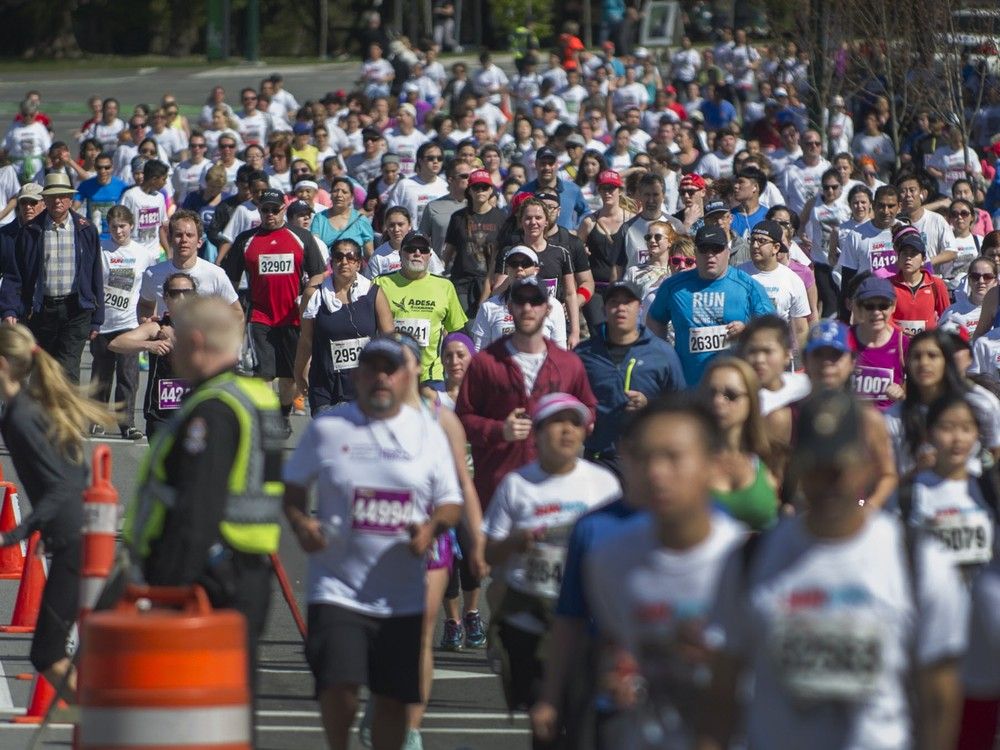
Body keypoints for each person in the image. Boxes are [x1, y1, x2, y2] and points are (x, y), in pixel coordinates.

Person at [699, 389, 969, 750]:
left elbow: (939, 697)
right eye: (815, 467)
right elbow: (721, 692)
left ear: (865, 465)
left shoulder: (917, 562)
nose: (827, 484)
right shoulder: (750, 559)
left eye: (838, 468)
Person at [282, 336, 463, 750]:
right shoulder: (329, 428)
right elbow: (293, 489)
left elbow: (450, 502)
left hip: (401, 594)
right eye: (373, 368)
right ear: (358, 375)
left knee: (392, 702)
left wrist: (432, 527)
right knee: (339, 688)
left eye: (391, 368)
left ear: (407, 376)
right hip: (337, 587)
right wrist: (300, 524)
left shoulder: (427, 434)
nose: (382, 377)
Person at [123, 295, 285, 692]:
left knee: (191, 701)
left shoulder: (214, 410)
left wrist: (164, 590)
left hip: (208, 578)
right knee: (227, 703)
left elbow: (196, 508)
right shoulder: (257, 397)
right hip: (244, 571)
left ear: (195, 342)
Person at [583, 394, 746, 750]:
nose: (656, 473)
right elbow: (619, 651)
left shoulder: (748, 561)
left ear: (713, 465)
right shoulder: (609, 560)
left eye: (673, 457)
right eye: (645, 458)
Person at [482, 393, 621, 739]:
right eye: (558, 423)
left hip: (584, 621)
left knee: (581, 723)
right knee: (544, 722)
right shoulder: (518, 485)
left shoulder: (603, 484)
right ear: (538, 433)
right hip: (529, 620)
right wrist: (517, 541)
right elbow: (487, 554)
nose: (567, 431)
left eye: (575, 423)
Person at [0, 325, 116, 700]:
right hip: (73, 534)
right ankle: (98, 723)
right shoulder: (30, 406)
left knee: (47, 652)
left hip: (72, 539)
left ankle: (103, 727)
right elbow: (75, 473)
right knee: (64, 650)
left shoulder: (19, 416)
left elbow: (61, 485)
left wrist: (15, 534)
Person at [457, 276, 597, 510]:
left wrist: (571, 427)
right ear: (509, 307)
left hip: (553, 490)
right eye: (520, 301)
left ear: (548, 308)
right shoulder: (485, 363)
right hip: (497, 487)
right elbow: (462, 419)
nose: (528, 308)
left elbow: (589, 411)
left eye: (536, 301)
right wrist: (499, 430)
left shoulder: (568, 363)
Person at [221, 188, 327, 432]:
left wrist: (307, 298)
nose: (270, 214)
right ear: (259, 211)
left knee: (289, 376)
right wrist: (234, 310)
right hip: (260, 316)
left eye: (275, 209)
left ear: (283, 209)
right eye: (265, 209)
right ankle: (268, 419)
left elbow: (319, 273)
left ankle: (283, 414)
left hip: (292, 316)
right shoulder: (246, 240)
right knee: (265, 374)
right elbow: (231, 281)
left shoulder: (302, 237)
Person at [0, 173, 105, 384]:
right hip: (41, 312)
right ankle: (44, 416)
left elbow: (95, 275)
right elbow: (14, 274)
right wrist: (9, 309)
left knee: (68, 370)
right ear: (45, 200)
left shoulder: (86, 229)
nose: (57, 200)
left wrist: (97, 318)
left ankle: (67, 417)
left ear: (69, 198)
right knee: (43, 371)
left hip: (76, 310)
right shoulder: (30, 231)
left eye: (62, 195)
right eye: (52, 196)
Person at [575, 280, 686, 475]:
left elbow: (681, 407)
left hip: (647, 460)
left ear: (640, 307)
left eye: (628, 302)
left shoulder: (662, 353)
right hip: (598, 461)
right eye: (614, 302)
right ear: (604, 308)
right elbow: (568, 400)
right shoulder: (583, 354)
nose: (621, 308)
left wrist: (649, 406)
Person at [646, 225, 775, 385]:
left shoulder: (748, 286)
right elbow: (655, 320)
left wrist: (747, 330)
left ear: (728, 252)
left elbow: (772, 329)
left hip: (734, 385)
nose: (710, 255)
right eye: (704, 249)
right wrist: (664, 355)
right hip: (688, 386)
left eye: (716, 249)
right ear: (695, 252)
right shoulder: (674, 286)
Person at [294, 238, 395, 414]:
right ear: (331, 262)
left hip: (364, 384)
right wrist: (299, 373)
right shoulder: (314, 295)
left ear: (359, 263)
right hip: (325, 383)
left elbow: (390, 340)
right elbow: (306, 340)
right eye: (338, 257)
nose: (344, 262)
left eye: (351, 257)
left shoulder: (374, 293)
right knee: (327, 438)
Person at [90, 205, 161, 439]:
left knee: (128, 377)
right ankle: (97, 420)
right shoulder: (101, 250)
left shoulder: (143, 254)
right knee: (101, 376)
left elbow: (151, 287)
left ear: (131, 225)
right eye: (113, 227)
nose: (118, 231)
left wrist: (150, 314)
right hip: (103, 323)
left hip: (130, 324)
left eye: (122, 226)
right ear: (107, 228)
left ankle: (127, 423)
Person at [373, 231, 467, 386]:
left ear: (429, 256)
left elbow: (457, 333)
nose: (417, 253)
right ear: (400, 254)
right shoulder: (380, 284)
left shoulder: (445, 286)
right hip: (391, 375)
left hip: (431, 377)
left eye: (423, 250)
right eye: (411, 249)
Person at [109, 273, 196, 439]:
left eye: (188, 292)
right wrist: (149, 345)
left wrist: (174, 340)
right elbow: (116, 343)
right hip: (160, 413)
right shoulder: (157, 328)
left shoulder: (204, 328)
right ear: (166, 298)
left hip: (193, 412)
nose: (182, 298)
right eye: (175, 293)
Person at [702, 357, 780, 530]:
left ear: (751, 401)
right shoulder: (689, 462)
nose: (718, 401)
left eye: (730, 395)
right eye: (711, 393)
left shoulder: (773, 458)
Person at [139, 210, 240, 319]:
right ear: (170, 240)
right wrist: (146, 321)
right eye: (178, 235)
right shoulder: (152, 274)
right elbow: (145, 305)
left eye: (189, 235)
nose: (184, 240)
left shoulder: (216, 274)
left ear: (199, 242)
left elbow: (237, 313)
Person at [472, 246, 567, 350]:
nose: (519, 268)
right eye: (514, 264)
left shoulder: (554, 306)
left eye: (526, 263)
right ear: (507, 270)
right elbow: (479, 351)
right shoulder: (489, 307)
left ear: (536, 270)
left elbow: (560, 351)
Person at [738, 220, 811, 354]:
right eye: (752, 240)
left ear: (776, 247)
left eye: (761, 241)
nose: (754, 245)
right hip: (744, 353)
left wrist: (795, 358)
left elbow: (800, 329)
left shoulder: (792, 279)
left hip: (776, 354)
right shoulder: (737, 275)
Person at [442, 169, 505, 317]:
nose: (480, 191)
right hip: (462, 281)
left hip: (491, 282)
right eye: (476, 187)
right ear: (469, 191)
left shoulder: (501, 218)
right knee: (465, 325)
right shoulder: (458, 218)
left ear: (491, 191)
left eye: (485, 187)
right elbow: (448, 251)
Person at [576, 169, 633, 330]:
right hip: (596, 289)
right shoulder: (589, 222)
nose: (608, 192)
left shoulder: (632, 219)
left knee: (622, 331)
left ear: (619, 191)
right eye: (604, 188)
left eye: (612, 188)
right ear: (599, 191)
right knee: (599, 330)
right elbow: (575, 253)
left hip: (625, 287)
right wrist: (582, 252)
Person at [848, 274, 908, 411]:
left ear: (893, 307)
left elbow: (919, 383)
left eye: (883, 306)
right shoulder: (844, 340)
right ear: (858, 308)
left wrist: (902, 392)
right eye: (869, 306)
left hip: (888, 424)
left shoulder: (902, 343)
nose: (876, 312)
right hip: (851, 422)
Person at [888, 226, 950, 336]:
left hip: (927, 344)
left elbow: (946, 317)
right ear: (899, 257)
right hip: (897, 344)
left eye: (913, 254)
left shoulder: (936, 284)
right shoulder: (887, 285)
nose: (908, 258)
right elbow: (885, 317)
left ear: (923, 260)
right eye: (905, 253)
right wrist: (901, 333)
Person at [386, 142, 449, 230]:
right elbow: (391, 216)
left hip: (437, 241)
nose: (436, 161)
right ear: (420, 161)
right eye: (430, 158)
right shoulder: (404, 185)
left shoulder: (446, 187)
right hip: (411, 241)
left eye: (440, 158)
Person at [311, 176, 375, 259]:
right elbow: (315, 249)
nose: (339, 195)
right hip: (328, 268)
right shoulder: (319, 219)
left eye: (344, 192)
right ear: (330, 195)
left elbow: (369, 254)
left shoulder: (361, 220)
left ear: (352, 198)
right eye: (335, 191)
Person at [73, 152, 127, 241]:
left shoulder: (121, 186)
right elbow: (74, 208)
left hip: (115, 236)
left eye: (107, 167)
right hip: (93, 236)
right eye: (99, 167)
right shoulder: (86, 185)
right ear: (95, 167)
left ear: (112, 168)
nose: (103, 171)